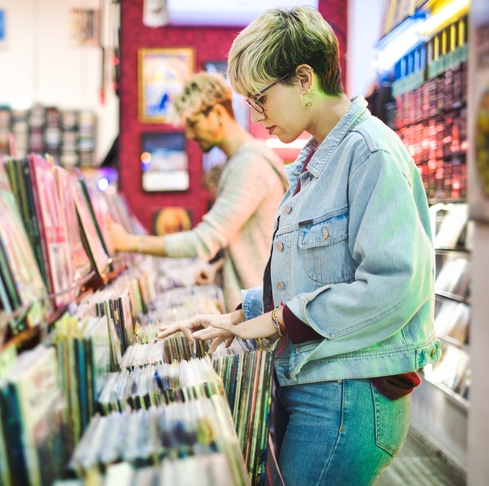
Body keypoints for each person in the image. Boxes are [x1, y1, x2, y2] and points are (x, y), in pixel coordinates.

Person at [157, 6, 441, 485]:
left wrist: (270, 321)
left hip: (349, 396)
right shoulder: (313, 161)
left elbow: (394, 286)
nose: (255, 115)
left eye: (261, 98)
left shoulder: (369, 153)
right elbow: (313, 275)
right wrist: (234, 318)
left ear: (304, 78)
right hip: (317, 385)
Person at [110, 72, 288, 311]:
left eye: (193, 124)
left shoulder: (250, 164)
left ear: (216, 114)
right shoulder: (242, 161)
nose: (190, 135)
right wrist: (219, 268)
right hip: (255, 307)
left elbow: (202, 241)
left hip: (259, 313)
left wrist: (130, 242)